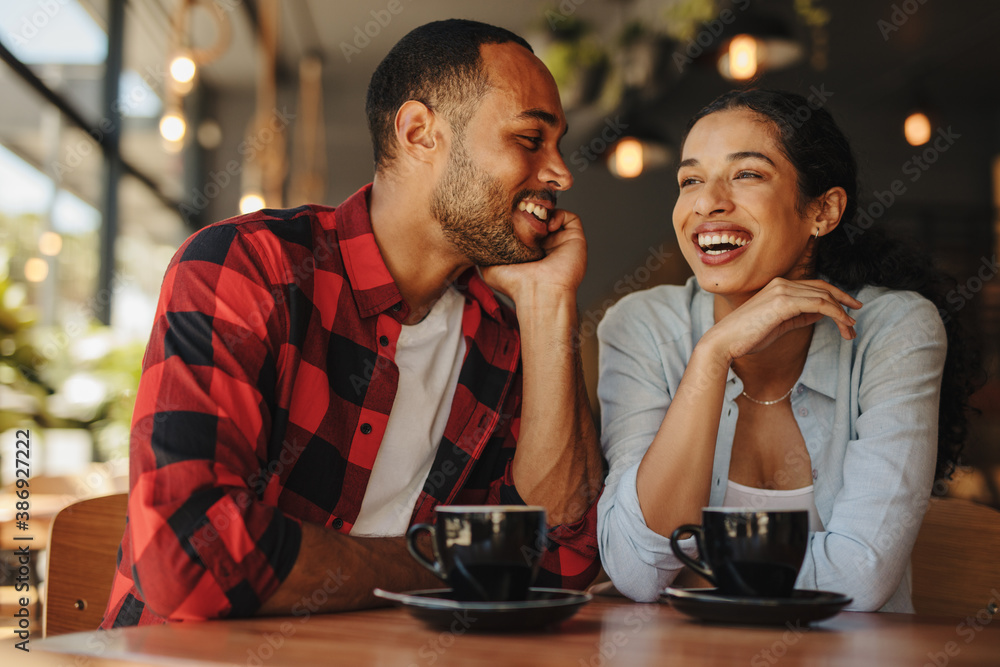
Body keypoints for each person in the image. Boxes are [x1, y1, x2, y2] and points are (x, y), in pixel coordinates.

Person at [101, 19, 604, 628]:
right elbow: (191, 561)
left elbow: (559, 561)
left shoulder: (506, 330)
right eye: (530, 139)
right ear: (420, 133)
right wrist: (443, 563)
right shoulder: (247, 268)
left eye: (558, 144)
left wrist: (550, 306)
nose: (561, 173)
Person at [596, 89, 980, 612]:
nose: (707, 202)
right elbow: (640, 571)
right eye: (689, 181)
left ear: (823, 210)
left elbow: (859, 578)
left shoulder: (896, 328)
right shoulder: (640, 325)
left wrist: (689, 576)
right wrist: (712, 355)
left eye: (747, 174)